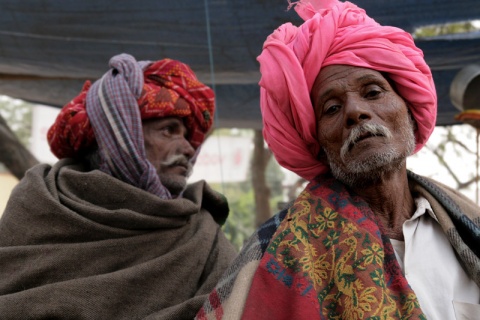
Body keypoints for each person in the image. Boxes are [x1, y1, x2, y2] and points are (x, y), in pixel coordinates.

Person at [196, 1, 480, 319]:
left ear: (410, 114)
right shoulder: (280, 251)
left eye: (373, 92)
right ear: (317, 145)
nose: (355, 112)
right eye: (331, 108)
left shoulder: (468, 227)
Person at [0, 53, 237, 319]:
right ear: (123, 136)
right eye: (168, 130)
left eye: (185, 135)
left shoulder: (201, 233)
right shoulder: (39, 203)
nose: (187, 148)